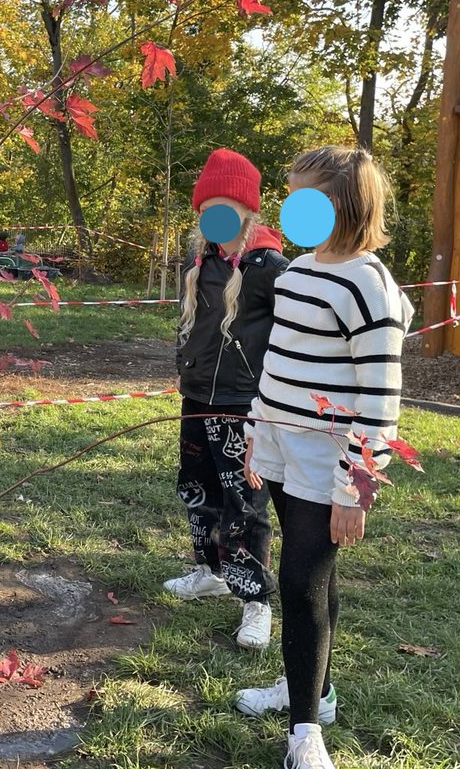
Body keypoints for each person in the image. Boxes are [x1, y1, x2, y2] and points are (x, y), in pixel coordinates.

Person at [234, 146, 414, 769]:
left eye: (303, 194)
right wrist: (259, 429)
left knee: (301, 578)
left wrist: (353, 488)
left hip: (328, 459)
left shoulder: (370, 286)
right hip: (281, 444)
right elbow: (278, 362)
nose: (290, 205)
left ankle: (304, 732)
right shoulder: (300, 269)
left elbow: (380, 401)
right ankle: (315, 690)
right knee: (315, 577)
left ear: (340, 202)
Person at [167, 148, 288, 651]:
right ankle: (209, 570)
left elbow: (293, 333)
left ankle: (255, 601)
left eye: (225, 206)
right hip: (198, 399)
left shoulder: (269, 267)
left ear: (248, 210)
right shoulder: (203, 263)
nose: (214, 217)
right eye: (206, 208)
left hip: (242, 407)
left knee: (244, 502)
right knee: (197, 488)